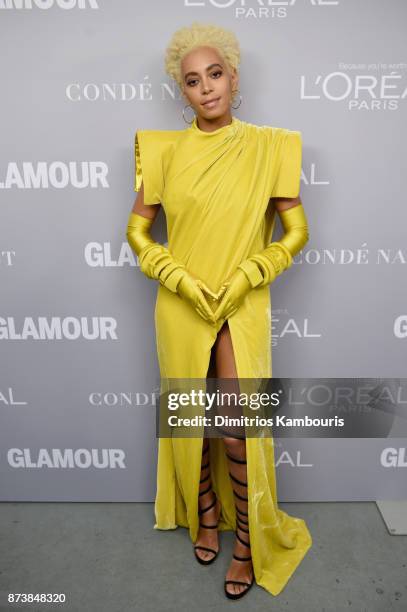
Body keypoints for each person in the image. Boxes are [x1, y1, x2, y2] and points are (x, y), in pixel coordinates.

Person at [126, 21, 312, 600]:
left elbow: (297, 231)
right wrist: (177, 278)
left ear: (234, 76)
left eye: (215, 74)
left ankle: (250, 543)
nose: (206, 88)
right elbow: (137, 232)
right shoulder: (162, 150)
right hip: (180, 306)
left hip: (241, 303)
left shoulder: (272, 145)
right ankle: (205, 519)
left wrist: (248, 275)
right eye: (192, 80)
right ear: (181, 91)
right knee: (195, 427)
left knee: (235, 431)